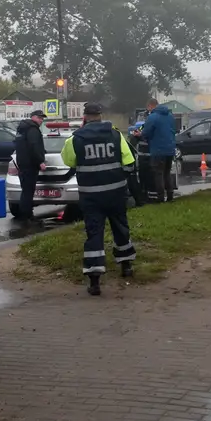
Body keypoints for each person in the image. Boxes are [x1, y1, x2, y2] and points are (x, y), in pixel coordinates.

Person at [61, 102, 137, 296]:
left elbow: (68, 161)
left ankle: (94, 281)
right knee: (120, 227)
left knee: (94, 233)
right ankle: (126, 266)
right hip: (115, 193)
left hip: (91, 196)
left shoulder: (75, 139)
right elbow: (129, 162)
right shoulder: (115, 135)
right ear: (101, 116)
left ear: (84, 117)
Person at [136, 98, 176, 202]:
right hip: (170, 149)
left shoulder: (152, 117)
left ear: (150, 106)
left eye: (148, 108)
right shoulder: (170, 116)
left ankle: (160, 197)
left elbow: (146, 133)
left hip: (158, 150)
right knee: (167, 172)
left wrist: (139, 134)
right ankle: (170, 195)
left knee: (158, 173)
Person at [13, 110, 48, 220]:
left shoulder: (22, 129)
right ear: (33, 117)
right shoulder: (32, 129)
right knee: (28, 190)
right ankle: (26, 215)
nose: (41, 120)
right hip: (30, 165)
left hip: (22, 163)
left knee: (26, 190)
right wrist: (40, 161)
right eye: (39, 118)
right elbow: (34, 146)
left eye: (42, 119)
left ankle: (25, 212)